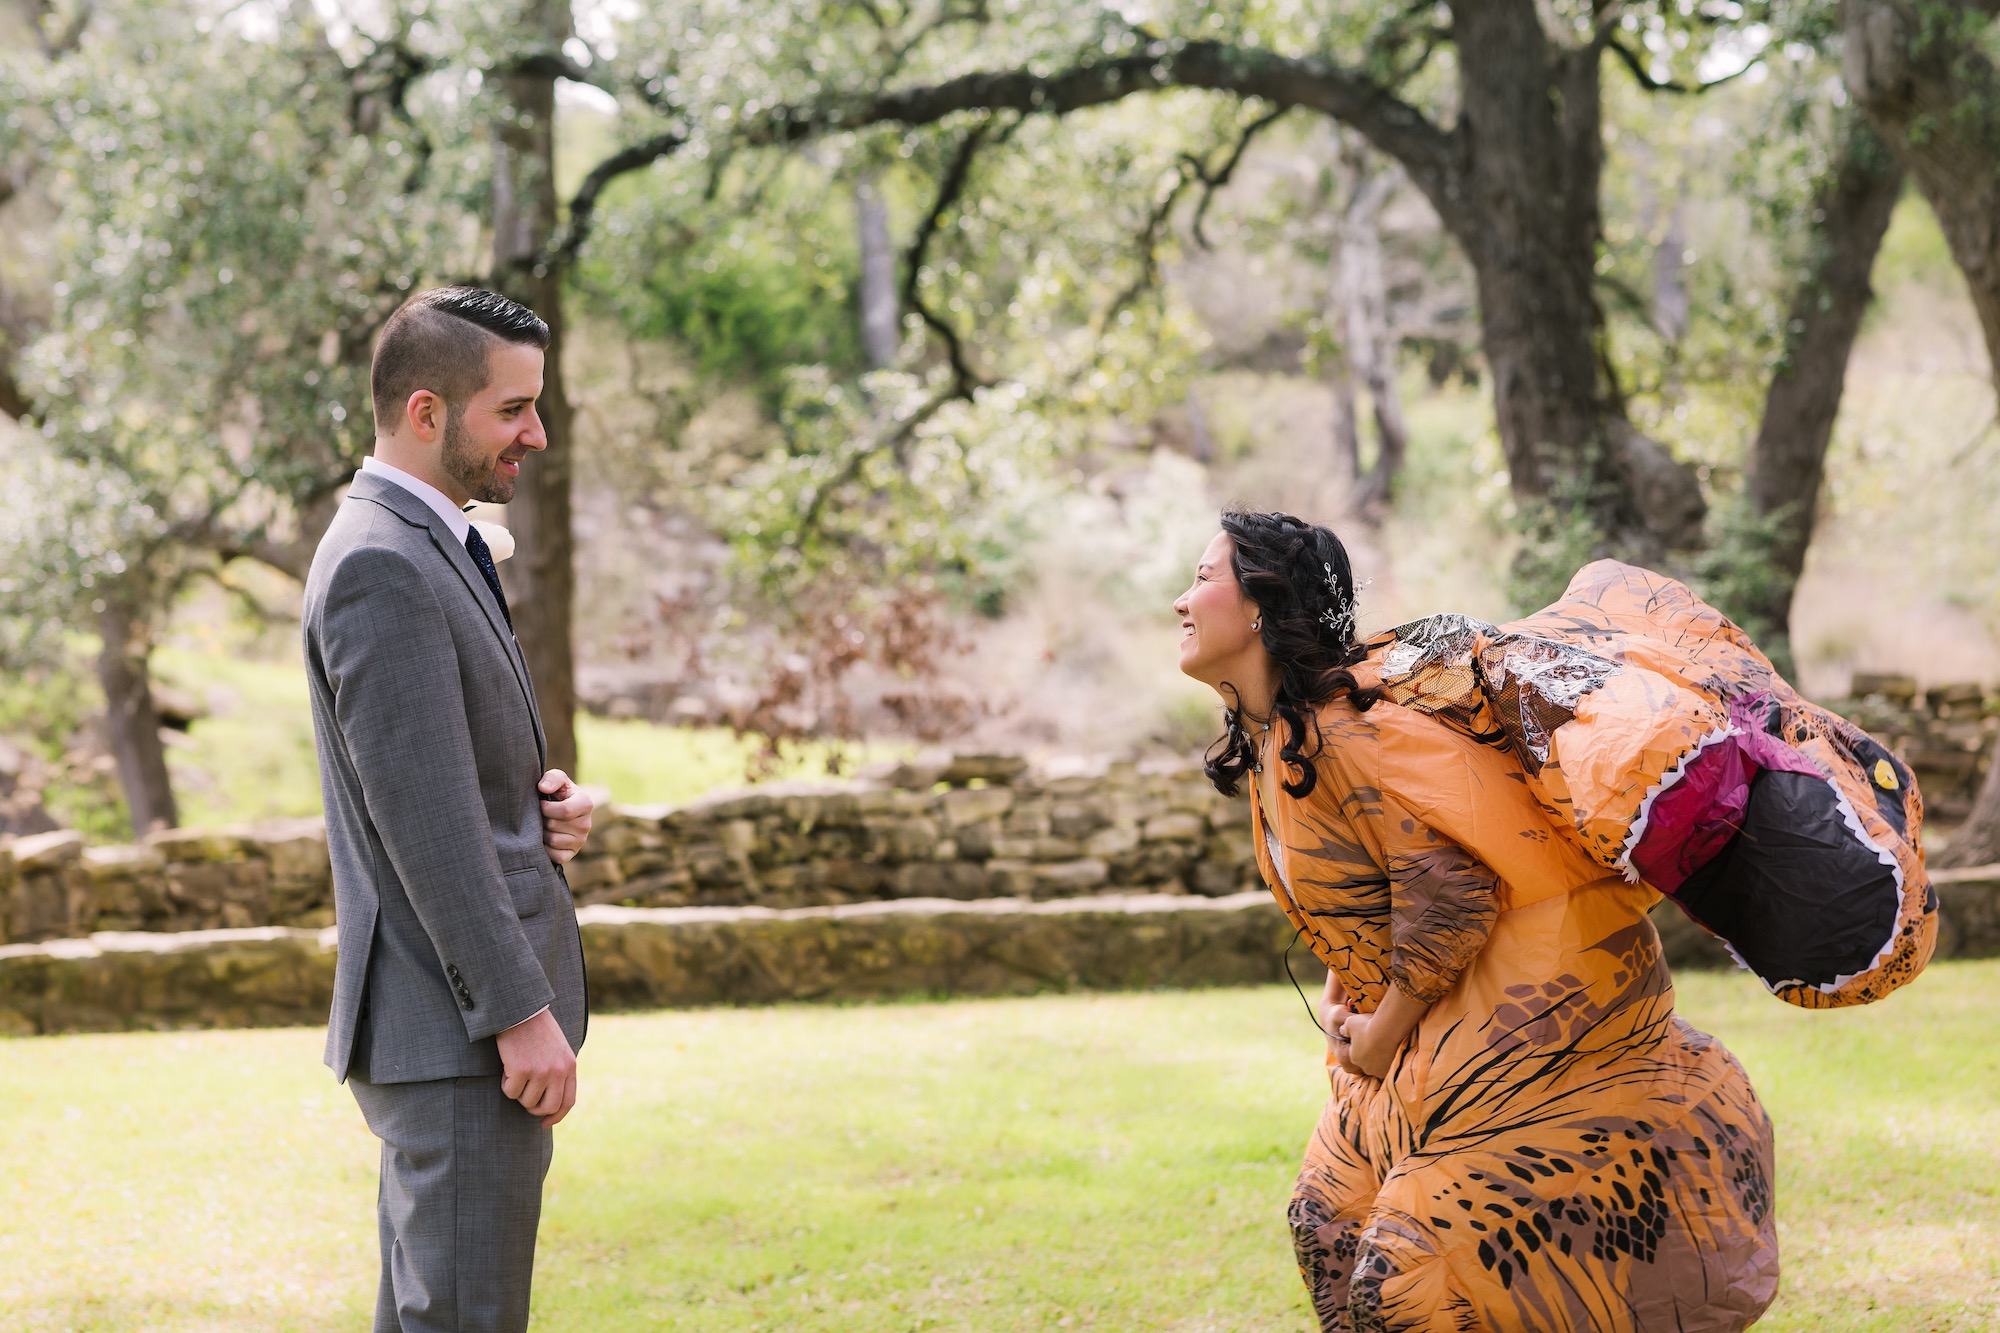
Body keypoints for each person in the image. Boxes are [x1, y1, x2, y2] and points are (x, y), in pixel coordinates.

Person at [1174, 510, 1778, 1333]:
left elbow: (1453, 894)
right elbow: (1372, 887)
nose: (1182, 601)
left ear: (1260, 606)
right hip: (1418, 1049)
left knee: (1401, 1284)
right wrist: (1349, 993)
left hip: (1522, 1036)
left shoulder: (1344, 732)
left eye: (1203, 578)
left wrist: (1381, 1033)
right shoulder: (1285, 737)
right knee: (1327, 1228)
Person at [303, 286, 595, 1333]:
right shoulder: (381, 562)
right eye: (512, 409)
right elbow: (424, 833)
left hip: (451, 1034)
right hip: (460, 1034)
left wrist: (542, 807)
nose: (537, 433)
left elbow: (436, 779)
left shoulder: (424, 541)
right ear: (426, 412)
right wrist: (520, 1014)